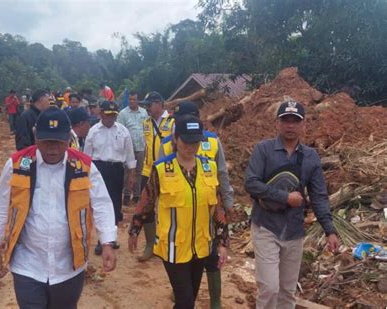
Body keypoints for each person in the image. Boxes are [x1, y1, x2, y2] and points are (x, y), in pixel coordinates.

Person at [0, 107, 117, 309]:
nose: (53, 148)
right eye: (47, 142)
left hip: (69, 265)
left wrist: (107, 242)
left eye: (59, 142)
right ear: (36, 137)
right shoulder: (17, 164)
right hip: (27, 264)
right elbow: (0, 207)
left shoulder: (84, 166)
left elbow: (101, 204)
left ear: (68, 139)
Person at [245, 99, 340, 309]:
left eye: (295, 121)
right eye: (285, 120)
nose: (290, 125)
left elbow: (319, 196)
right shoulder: (263, 150)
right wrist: (285, 197)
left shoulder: (311, 156)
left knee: (287, 292)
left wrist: (330, 230)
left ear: (303, 124)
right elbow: (251, 183)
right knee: (269, 288)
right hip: (266, 226)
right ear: (277, 123)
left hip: (294, 231)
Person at [128, 115, 229, 309]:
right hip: (173, 246)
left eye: (196, 142)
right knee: (185, 300)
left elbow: (218, 208)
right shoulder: (162, 169)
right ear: (176, 139)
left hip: (200, 245)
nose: (191, 147)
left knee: (189, 297)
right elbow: (146, 201)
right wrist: (134, 229)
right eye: (186, 141)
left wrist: (222, 242)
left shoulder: (209, 167)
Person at [159, 101, 234, 309]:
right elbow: (158, 187)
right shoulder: (165, 145)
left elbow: (221, 174)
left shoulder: (213, 141)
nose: (191, 147)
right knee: (185, 292)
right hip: (179, 223)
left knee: (212, 259)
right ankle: (182, 294)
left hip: (208, 214)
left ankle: (215, 301)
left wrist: (227, 202)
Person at [84, 101, 136, 254]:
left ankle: (110, 238)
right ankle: (101, 240)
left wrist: (131, 175)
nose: (111, 118)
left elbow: (129, 154)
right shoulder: (93, 132)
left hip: (117, 170)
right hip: (99, 170)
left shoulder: (123, 131)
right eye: (108, 115)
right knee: (100, 204)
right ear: (101, 114)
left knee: (115, 204)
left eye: (113, 115)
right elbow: (86, 157)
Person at [137, 91, 175, 262]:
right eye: (145, 105)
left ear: (159, 104)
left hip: (167, 172)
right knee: (146, 207)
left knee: (169, 207)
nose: (147, 108)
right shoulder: (146, 122)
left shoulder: (173, 122)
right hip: (148, 170)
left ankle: (167, 243)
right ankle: (150, 244)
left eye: (149, 105)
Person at [117, 91, 148, 206]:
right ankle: (126, 195)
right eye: (130, 99)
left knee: (139, 172)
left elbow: (147, 128)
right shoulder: (123, 114)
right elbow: (119, 131)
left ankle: (136, 195)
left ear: (138, 100)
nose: (132, 101)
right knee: (127, 171)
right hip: (127, 148)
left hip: (141, 147)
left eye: (134, 99)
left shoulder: (144, 113)